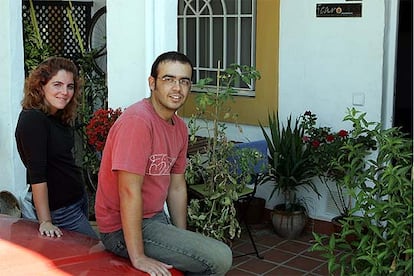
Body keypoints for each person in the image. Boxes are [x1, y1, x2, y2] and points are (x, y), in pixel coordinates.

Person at [95, 51, 233, 276]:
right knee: (220, 258)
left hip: (154, 220)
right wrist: (138, 257)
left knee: (204, 256)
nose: (177, 88)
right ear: (152, 83)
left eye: (184, 81)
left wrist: (181, 237)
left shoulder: (179, 128)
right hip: (121, 228)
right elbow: (129, 191)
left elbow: (176, 187)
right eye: (168, 79)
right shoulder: (137, 123)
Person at [15, 57, 98, 239]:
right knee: (95, 251)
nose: (65, 92)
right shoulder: (33, 120)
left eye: (70, 86)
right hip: (61, 211)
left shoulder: (56, 116)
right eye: (57, 85)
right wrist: (45, 221)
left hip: (77, 199)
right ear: (41, 86)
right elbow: (37, 175)